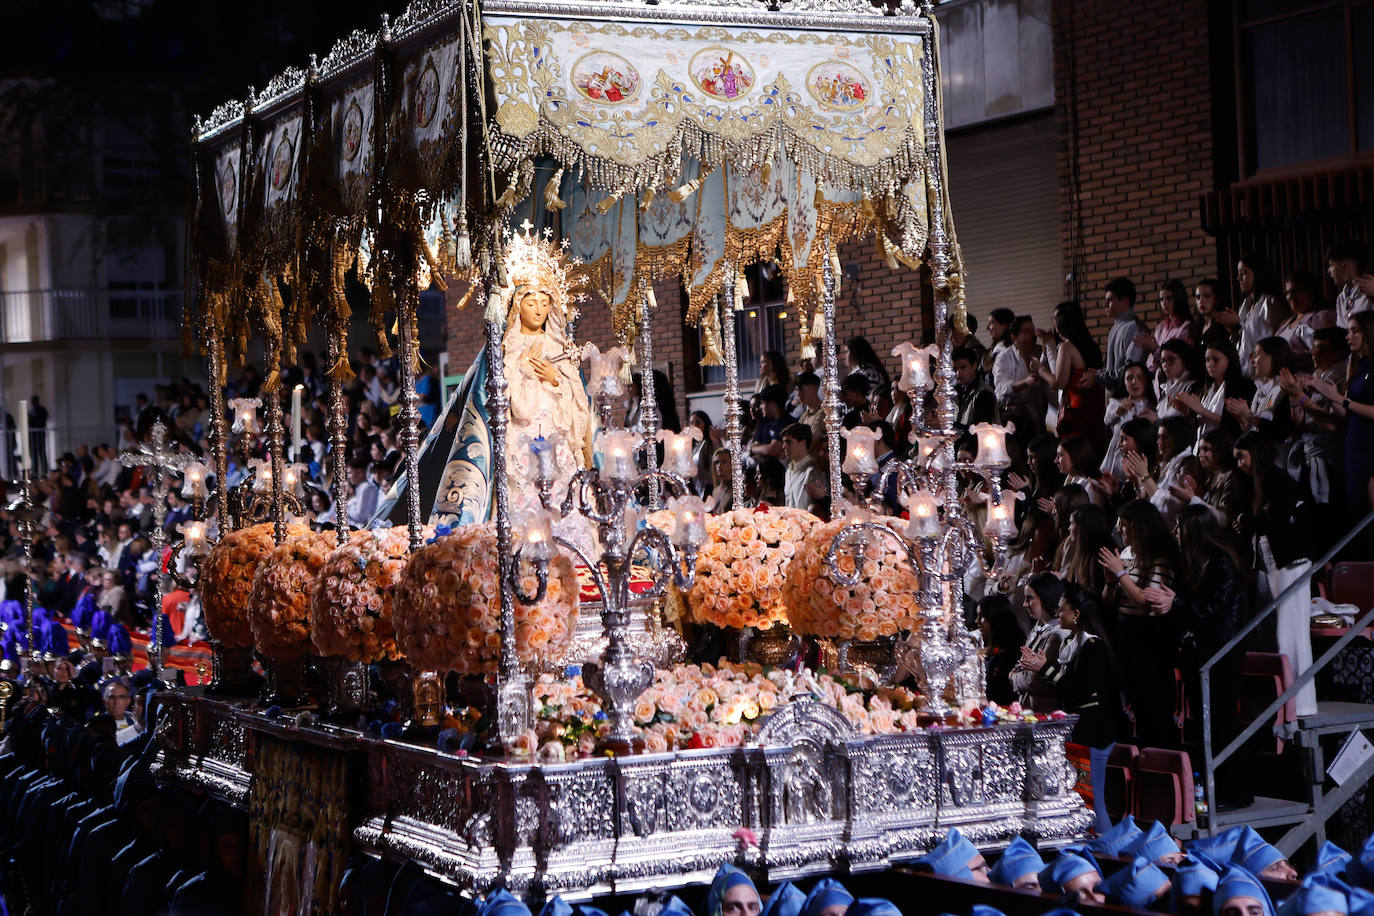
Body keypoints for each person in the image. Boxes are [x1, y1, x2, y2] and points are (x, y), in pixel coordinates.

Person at [1146, 503, 1251, 805]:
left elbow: (1214, 612)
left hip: (1223, 654)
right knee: (1204, 724)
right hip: (1196, 654)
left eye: (1180, 528)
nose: (1176, 533)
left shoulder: (1223, 566)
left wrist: (1176, 602)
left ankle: (1237, 792)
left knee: (1224, 721)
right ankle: (1214, 788)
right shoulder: (1189, 564)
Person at [1022, 583, 1117, 833]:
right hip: (1083, 730)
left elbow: (1082, 690)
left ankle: (1107, 854)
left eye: (1062, 610)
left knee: (1093, 803)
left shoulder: (1093, 646)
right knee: (1084, 800)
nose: (1058, 613)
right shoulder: (1073, 644)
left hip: (1095, 733)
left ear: (1076, 614)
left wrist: (1045, 669)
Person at [1100, 499, 1179, 748]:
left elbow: (1148, 603)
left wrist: (1121, 575)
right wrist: (1110, 581)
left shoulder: (1160, 557)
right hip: (1124, 633)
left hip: (1150, 639)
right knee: (1131, 704)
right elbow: (1108, 602)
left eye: (1125, 526)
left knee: (1153, 709)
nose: (1120, 531)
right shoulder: (1125, 553)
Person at [1305, 311, 1374, 520]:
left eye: (1354, 331)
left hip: (1370, 444)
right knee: (1358, 509)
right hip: (1353, 443)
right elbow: (1347, 413)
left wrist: (1341, 399)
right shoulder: (1357, 366)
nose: (1348, 336)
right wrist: (1332, 396)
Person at [1039, 300, 1106, 451]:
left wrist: (1040, 370)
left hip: (1077, 410)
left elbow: (1059, 382)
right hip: (1094, 406)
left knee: (1075, 454)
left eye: (1054, 320)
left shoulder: (1066, 347)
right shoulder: (1091, 345)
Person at [1173, 338, 1254, 446]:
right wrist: (1187, 412)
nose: (1210, 364)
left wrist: (1202, 410)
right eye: (1207, 360)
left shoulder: (1242, 387)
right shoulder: (1205, 388)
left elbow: (1233, 426)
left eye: (1216, 360)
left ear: (1229, 359)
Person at [1222, 253, 1288, 380]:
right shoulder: (1245, 304)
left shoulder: (1271, 302)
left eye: (1244, 273)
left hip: (1267, 372)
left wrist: (1238, 324)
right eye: (1238, 274)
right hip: (1245, 370)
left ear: (1258, 273)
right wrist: (1234, 332)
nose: (1238, 278)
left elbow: (1275, 339)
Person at [1010, 572, 1066, 713]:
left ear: (1046, 597)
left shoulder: (1057, 634)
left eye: (1030, 599)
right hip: (1030, 709)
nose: (1025, 604)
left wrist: (1013, 676)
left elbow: (1033, 681)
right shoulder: (1038, 627)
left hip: (1047, 713)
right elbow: (1022, 666)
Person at [992, 315, 1049, 436]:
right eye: (1026, 331)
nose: (1033, 335)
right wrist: (1025, 382)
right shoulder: (1004, 357)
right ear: (1014, 337)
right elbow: (1001, 388)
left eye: (1033, 330)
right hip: (1013, 420)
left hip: (1038, 419)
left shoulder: (1039, 353)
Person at [1274, 269, 1336, 367]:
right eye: (1287, 293)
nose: (1291, 297)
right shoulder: (1284, 324)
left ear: (1310, 292)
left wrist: (1287, 357)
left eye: (1296, 291)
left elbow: (1325, 353)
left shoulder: (1323, 317)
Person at [976, 594, 1023, 705]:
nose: (977, 621)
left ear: (994, 618)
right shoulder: (993, 650)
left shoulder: (1012, 654)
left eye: (981, 616)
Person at [1145, 279, 1196, 376]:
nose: (1164, 303)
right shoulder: (1160, 328)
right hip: (1159, 381)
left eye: (1168, 298)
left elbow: (1180, 360)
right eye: (1161, 299)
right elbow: (1151, 365)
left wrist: (1156, 349)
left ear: (1178, 299)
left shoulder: (1186, 328)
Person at [1329, 239, 1372, 329]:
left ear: (1343, 266)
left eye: (1331, 265)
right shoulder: (1341, 298)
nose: (1329, 271)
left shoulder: (1371, 290)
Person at [952, 346, 998, 430]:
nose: (958, 373)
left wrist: (951, 428)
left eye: (963, 367)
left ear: (974, 366)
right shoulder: (955, 391)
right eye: (955, 369)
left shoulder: (984, 393)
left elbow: (980, 431)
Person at [780, 424, 818, 511]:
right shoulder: (788, 472)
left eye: (788, 442)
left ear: (802, 443)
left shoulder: (812, 471)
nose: (784, 446)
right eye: (783, 442)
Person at [705, 448, 735, 515]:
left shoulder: (736, 489)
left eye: (724, 462)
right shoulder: (715, 491)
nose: (719, 466)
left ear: (732, 463)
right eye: (716, 462)